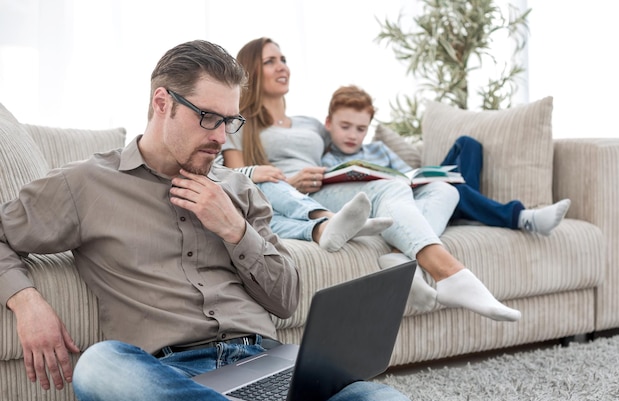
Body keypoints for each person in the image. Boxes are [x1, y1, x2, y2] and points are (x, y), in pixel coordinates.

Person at [0, 40, 441, 401]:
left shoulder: (239, 189)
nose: (219, 138)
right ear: (162, 103)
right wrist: (26, 301)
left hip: (270, 359)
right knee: (99, 371)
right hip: (174, 374)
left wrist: (234, 228)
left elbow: (286, 299)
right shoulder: (86, 183)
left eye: (229, 121)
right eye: (208, 118)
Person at [222, 37, 521, 322]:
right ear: (252, 70)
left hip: (330, 185)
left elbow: (349, 143)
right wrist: (290, 180)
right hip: (296, 193)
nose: (282, 66)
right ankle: (452, 274)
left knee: (446, 191)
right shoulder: (240, 126)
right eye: (270, 61)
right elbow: (237, 177)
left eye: (283, 59)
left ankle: (398, 257)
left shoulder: (311, 124)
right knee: (388, 189)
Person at [322, 85, 571, 236]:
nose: (353, 135)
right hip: (403, 205)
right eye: (346, 126)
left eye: (360, 128)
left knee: (468, 144)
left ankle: (464, 206)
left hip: (416, 192)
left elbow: (408, 174)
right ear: (329, 123)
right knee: (454, 191)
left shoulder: (378, 149)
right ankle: (521, 217)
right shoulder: (327, 160)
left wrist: (426, 176)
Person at [214, 157, 393, 252]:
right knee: (265, 181)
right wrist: (250, 172)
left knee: (262, 217)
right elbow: (214, 174)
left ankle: (323, 230)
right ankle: (331, 218)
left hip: (229, 195)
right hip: (219, 191)